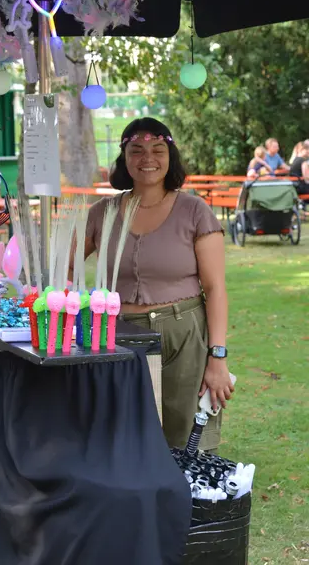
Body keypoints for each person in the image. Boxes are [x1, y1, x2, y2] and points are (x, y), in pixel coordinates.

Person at [81, 117, 234, 453]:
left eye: (157, 150)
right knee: (123, 437)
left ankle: (186, 489)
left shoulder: (194, 211)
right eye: (136, 150)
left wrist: (217, 357)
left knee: (184, 440)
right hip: (118, 337)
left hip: (184, 337)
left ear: (170, 156)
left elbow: (216, 289)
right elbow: (61, 266)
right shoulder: (102, 213)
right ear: (124, 158)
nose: (147, 158)